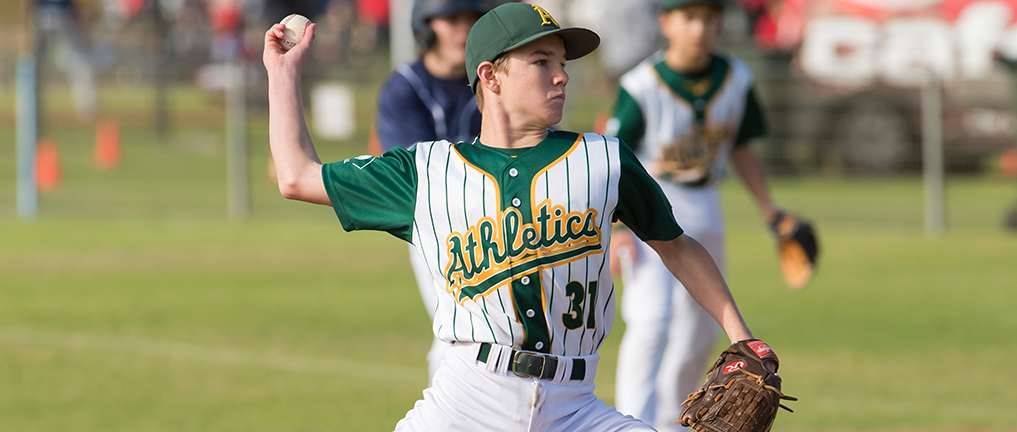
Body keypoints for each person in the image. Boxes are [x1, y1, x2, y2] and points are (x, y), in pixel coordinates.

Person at [263, 3, 766, 430]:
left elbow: (676, 246)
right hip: (466, 402)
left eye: (562, 62)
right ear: (491, 76)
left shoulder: (604, 159)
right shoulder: (425, 170)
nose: (561, 75)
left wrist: (741, 336)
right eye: (541, 61)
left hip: (576, 407)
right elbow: (297, 177)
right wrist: (283, 75)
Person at [604, 0, 781, 430]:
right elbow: (611, 155)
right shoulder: (642, 83)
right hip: (650, 202)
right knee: (652, 321)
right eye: (688, 17)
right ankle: (633, 422)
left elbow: (740, 146)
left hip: (707, 201)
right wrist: (617, 225)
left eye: (708, 17)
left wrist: (770, 210)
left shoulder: (736, 77)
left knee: (701, 331)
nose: (699, 27)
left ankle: (673, 422)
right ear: (666, 22)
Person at [369, 0, 488, 380]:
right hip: (437, 229)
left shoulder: (492, 79)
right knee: (457, 335)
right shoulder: (405, 88)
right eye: (451, 19)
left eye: (471, 19)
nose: (463, 29)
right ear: (424, 28)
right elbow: (415, 173)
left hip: (501, 221)